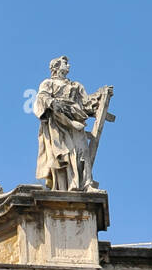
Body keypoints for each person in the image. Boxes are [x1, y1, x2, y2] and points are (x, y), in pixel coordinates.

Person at [34, 56, 111, 192]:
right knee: (63, 155)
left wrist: (102, 95)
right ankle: (63, 188)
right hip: (58, 121)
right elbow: (42, 98)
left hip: (76, 121)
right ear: (56, 67)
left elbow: (88, 104)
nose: (68, 66)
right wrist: (55, 104)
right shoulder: (48, 83)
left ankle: (86, 184)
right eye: (65, 63)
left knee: (82, 152)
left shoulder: (76, 86)